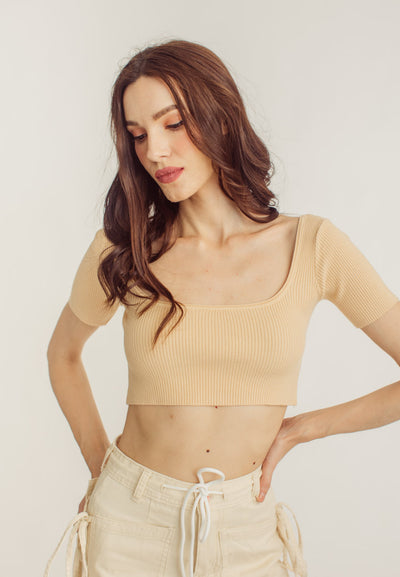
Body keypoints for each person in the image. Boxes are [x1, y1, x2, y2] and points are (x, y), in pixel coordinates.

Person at [43, 39, 400, 577]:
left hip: (246, 533)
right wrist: (101, 470)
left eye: (172, 124)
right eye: (138, 135)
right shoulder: (125, 249)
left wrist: (302, 429)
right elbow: (63, 355)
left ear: (221, 118)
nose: (154, 152)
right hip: (129, 526)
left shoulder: (312, 246)